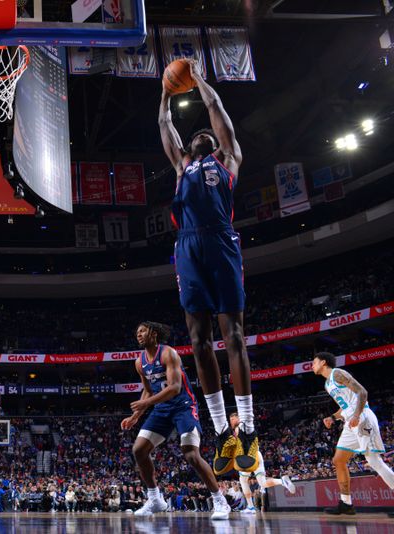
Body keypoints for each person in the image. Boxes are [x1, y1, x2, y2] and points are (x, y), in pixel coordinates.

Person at [158, 59, 257, 475]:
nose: (200, 135)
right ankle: (221, 431)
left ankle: (248, 427)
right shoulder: (182, 166)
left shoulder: (227, 158)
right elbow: (165, 127)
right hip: (187, 247)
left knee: (232, 334)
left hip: (219, 239)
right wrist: (166, 92)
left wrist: (198, 79)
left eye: (205, 134)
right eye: (195, 134)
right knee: (198, 340)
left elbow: (217, 114)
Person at [121, 321, 231, 519]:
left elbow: (174, 388)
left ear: (153, 333)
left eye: (142, 331)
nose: (138, 334)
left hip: (183, 406)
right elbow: (147, 389)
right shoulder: (139, 362)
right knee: (138, 450)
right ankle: (155, 499)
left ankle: (219, 500)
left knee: (190, 454)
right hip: (162, 409)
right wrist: (135, 416)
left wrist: (144, 405)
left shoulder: (168, 353)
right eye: (136, 332)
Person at [312, 352, 394, 515]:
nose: (312, 366)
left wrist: (356, 415)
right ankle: (346, 503)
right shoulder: (328, 384)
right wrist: (333, 417)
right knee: (338, 460)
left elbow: (362, 392)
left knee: (374, 461)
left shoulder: (339, 373)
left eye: (314, 362)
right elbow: (345, 406)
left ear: (323, 362)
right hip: (350, 422)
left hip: (362, 417)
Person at [228, 412, 295, 514]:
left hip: (247, 457)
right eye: (230, 420)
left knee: (243, 480)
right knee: (262, 482)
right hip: (257, 454)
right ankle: (282, 481)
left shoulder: (238, 428)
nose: (231, 421)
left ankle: (250, 507)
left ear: (237, 418)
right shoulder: (247, 426)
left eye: (232, 419)